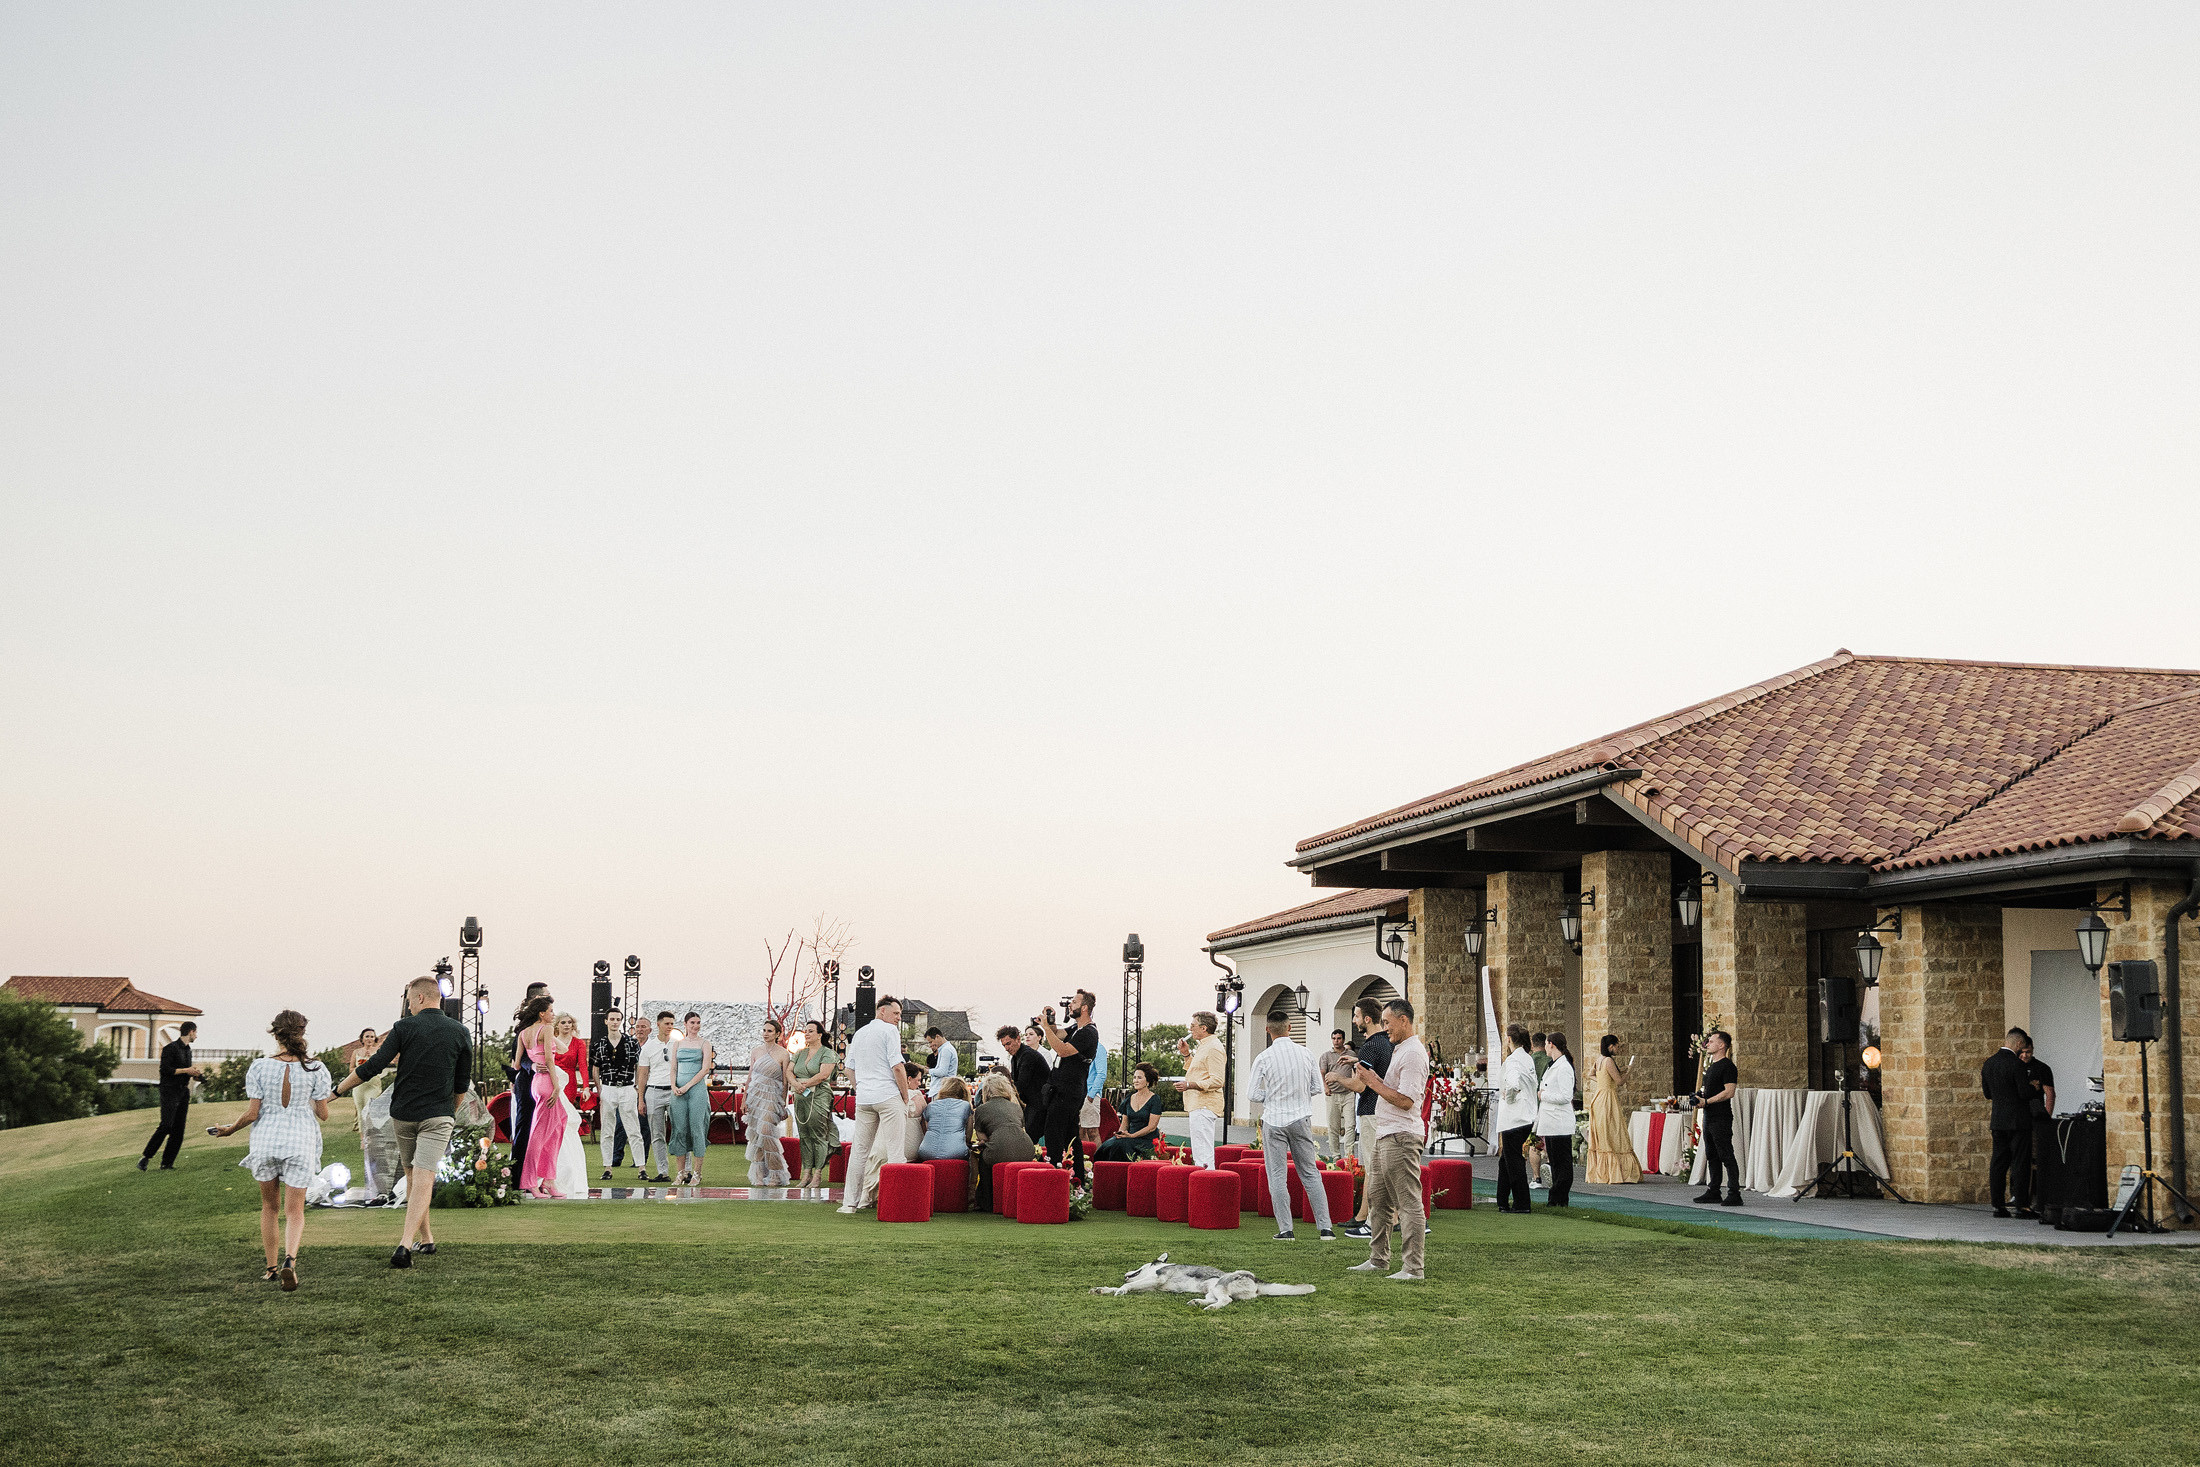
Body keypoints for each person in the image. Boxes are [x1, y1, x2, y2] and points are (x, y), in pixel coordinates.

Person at [337, 976, 474, 1264]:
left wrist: (336, 1091)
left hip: (404, 1114)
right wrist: (449, 1111)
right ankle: (420, 1239)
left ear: (421, 998)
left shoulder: (403, 1027)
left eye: (410, 1000)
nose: (409, 1006)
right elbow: (461, 1084)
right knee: (420, 1177)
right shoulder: (460, 1032)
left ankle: (408, 1243)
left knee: (416, 1175)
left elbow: (373, 1066)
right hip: (437, 1116)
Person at [209, 1010, 331, 1291]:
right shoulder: (316, 1069)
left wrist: (229, 1130)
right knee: (295, 1210)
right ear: (302, 1034)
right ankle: (290, 1259)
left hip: (266, 1141)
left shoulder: (260, 1067)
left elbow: (253, 1113)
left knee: (269, 1207)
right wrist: (310, 1102)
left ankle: (270, 1268)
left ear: (276, 1034)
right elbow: (323, 1115)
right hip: (300, 1142)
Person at [1341, 998, 1429, 1282]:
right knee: (1378, 1199)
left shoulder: (1413, 1053)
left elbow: (1405, 1100)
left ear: (1404, 1021)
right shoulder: (1400, 1049)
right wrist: (1368, 1072)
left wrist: (1373, 1082)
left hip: (1402, 1135)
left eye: (1388, 1023)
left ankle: (1413, 1268)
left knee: (1408, 1202)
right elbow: (1392, 1088)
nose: (1385, 1028)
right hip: (1385, 1132)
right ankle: (1378, 1260)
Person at [1248, 1013, 1334, 1242]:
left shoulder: (1263, 1057)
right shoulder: (1306, 1053)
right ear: (1290, 1027)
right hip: (1300, 1118)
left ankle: (1286, 1230)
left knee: (1277, 1176)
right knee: (1310, 1173)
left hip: (1274, 1119)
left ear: (1268, 1030)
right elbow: (1317, 1087)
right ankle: (1325, 1228)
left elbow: (1251, 1093)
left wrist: (1272, 1095)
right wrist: (1298, 1094)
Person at [838, 995, 918, 1213]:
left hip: (865, 1099)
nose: (898, 1019)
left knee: (859, 1152)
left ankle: (849, 1203)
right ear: (881, 1011)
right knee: (895, 1153)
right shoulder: (889, 1031)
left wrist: (861, 1087)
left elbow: (848, 1068)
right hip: (887, 1095)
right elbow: (898, 1067)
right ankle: (894, 1204)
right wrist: (904, 1096)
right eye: (896, 1014)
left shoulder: (860, 1033)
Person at [1338, 998, 1393, 1239]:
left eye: (1356, 1016)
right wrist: (1356, 1061)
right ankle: (1363, 1215)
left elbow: (1360, 1086)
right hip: (1384, 1109)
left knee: (1373, 1167)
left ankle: (1372, 1220)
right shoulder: (1388, 1042)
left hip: (1371, 1110)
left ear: (1367, 1019)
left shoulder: (1370, 1045)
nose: (1354, 1020)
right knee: (1378, 1167)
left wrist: (1336, 1078)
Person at [1040, 992, 1100, 1190]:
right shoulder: (1076, 1028)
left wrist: (1045, 1029)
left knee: (1055, 1132)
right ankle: (1077, 1181)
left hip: (1069, 1090)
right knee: (1070, 1136)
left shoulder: (1088, 1033)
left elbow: (1062, 1049)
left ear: (1084, 1008)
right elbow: (1059, 1034)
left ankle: (1056, 1177)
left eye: (1074, 1002)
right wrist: (1051, 1020)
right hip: (1063, 1088)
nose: (1070, 1005)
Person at [510, 996, 566, 1197]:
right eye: (551, 1011)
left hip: (535, 1083)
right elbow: (550, 1059)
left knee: (559, 1124)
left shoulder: (524, 1033)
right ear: (542, 1013)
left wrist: (534, 1060)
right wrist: (557, 1085)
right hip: (547, 1082)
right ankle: (531, 1181)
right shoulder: (547, 1029)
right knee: (538, 1134)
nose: (553, 1014)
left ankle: (548, 1179)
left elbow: (516, 1065)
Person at [503, 981, 552, 1186]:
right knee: (525, 1126)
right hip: (528, 1081)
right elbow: (517, 1058)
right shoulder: (524, 1028)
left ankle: (541, 1177)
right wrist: (531, 1066)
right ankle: (517, 1177)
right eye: (546, 996)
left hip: (545, 1081)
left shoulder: (547, 1027)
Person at [1982, 1026, 2034, 1219]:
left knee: (1998, 1162)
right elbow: (2023, 1093)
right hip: (2018, 1121)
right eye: (2023, 1045)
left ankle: (1997, 1205)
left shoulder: (1989, 1063)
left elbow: (1988, 1094)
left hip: (1998, 1120)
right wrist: (2033, 1087)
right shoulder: (2016, 1065)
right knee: (2020, 1162)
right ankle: (2021, 1205)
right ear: (2019, 1043)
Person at [139, 1021, 204, 1171]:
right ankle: (146, 1157)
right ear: (190, 1032)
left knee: (179, 1129)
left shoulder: (188, 1050)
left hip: (183, 1091)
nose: (196, 1036)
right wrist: (186, 1070)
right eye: (196, 1032)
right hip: (169, 1091)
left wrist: (195, 1075)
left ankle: (167, 1163)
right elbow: (166, 1070)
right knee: (166, 1125)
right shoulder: (170, 1048)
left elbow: (185, 1071)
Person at [591, 1009, 645, 1182]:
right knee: (607, 1129)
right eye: (612, 1019)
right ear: (606, 1021)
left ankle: (641, 1167)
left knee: (633, 1129)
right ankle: (608, 1167)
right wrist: (600, 1090)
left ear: (621, 1021)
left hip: (627, 1087)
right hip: (608, 1087)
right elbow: (595, 1068)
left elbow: (639, 1066)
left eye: (618, 1019)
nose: (615, 1022)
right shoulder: (599, 1044)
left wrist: (636, 1086)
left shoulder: (631, 1042)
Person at [1691, 1029, 1742, 1207]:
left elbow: (1729, 1092)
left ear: (1721, 1045)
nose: (1708, 1044)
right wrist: (1700, 1098)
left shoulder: (1728, 1066)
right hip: (1709, 1116)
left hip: (1721, 1117)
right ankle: (1714, 1191)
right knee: (1711, 1154)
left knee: (1725, 1154)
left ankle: (1734, 1193)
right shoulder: (1712, 1066)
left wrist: (1707, 1101)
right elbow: (1710, 1091)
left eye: (1711, 1041)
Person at [972, 1072, 1036, 1211]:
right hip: (1026, 1148)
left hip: (999, 1149)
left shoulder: (981, 1109)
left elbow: (982, 1138)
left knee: (984, 1160)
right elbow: (1021, 1128)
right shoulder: (1016, 1107)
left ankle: (987, 1202)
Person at [743, 1019, 796, 1188]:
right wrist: (745, 1098)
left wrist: (783, 1103)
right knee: (757, 1135)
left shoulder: (783, 1054)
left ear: (778, 1034)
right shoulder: (756, 1051)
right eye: (764, 1030)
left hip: (773, 1096)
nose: (766, 1033)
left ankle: (776, 1172)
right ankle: (759, 1174)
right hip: (755, 1095)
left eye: (770, 1031)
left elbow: (785, 1082)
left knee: (766, 1131)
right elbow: (750, 1076)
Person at [665, 1012, 716, 1187]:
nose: (695, 1025)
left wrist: (687, 1086)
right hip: (678, 1090)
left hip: (696, 1090)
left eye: (698, 1022)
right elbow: (673, 1068)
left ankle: (697, 1173)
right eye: (692, 1022)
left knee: (697, 1128)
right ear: (685, 1024)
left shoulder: (705, 1043)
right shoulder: (677, 1044)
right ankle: (680, 1173)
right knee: (679, 1129)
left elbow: (705, 1069)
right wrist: (673, 1086)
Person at [790, 1018, 840, 1192]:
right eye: (806, 1031)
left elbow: (824, 1074)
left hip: (819, 1094)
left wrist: (804, 1084)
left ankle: (818, 1173)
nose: (807, 1034)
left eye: (811, 1031)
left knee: (817, 1132)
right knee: (804, 1133)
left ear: (819, 1034)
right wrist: (795, 1084)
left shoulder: (827, 1052)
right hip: (800, 1095)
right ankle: (806, 1172)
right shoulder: (799, 1053)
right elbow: (789, 1071)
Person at [1584, 1034, 1642, 1184]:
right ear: (1611, 1046)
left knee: (1604, 1133)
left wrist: (1603, 1082)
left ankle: (1603, 1171)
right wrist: (1629, 1071)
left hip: (1599, 1096)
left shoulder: (1599, 1059)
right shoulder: (1609, 1060)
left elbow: (1590, 1074)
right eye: (1616, 1046)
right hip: (1607, 1099)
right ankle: (1617, 1172)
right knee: (1615, 1132)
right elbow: (1620, 1082)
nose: (1618, 1048)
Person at [1493, 1024, 1538, 1213]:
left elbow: (1512, 1084)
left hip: (1513, 1117)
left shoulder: (1513, 1061)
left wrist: (1508, 1096)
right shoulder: (1527, 1059)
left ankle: (1522, 1203)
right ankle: (1501, 1199)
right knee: (1506, 1159)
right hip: (1526, 1115)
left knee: (1513, 1160)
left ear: (1509, 1039)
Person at [1174, 1011, 1226, 1170]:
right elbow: (1198, 1072)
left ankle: (1206, 1184)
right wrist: (1186, 1055)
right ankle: (1204, 1183)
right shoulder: (1205, 1047)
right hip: (1198, 1104)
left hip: (1204, 1105)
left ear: (1203, 1028)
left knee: (1203, 1151)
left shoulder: (1213, 1048)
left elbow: (1217, 1080)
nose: (1190, 1029)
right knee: (1199, 1150)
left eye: (1193, 1026)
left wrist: (1190, 1085)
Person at [635, 1010, 677, 1183]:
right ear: (658, 1024)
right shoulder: (648, 1047)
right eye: (667, 1023)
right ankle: (663, 1171)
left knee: (680, 1131)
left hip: (674, 1090)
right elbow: (642, 1074)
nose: (670, 1027)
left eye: (672, 1024)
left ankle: (686, 1170)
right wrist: (640, 1099)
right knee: (657, 1133)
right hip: (654, 1090)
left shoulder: (677, 1044)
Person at [1538, 1032, 1578, 1207]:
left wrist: (1544, 1095)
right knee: (1554, 1161)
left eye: (1546, 1044)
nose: (1545, 1047)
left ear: (1551, 1044)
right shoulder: (1552, 1065)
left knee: (1562, 1163)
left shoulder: (1564, 1067)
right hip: (1550, 1121)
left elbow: (1565, 1095)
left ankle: (1559, 1197)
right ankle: (1556, 1197)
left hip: (1559, 1122)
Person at [2019, 1036, 2057, 1216]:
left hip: (2036, 1117)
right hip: (2018, 1117)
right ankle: (2016, 1194)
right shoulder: (2014, 1067)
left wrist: (2047, 1117)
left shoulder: (2042, 1068)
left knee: (2035, 1156)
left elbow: (2050, 1094)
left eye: (2029, 1052)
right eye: (2023, 1052)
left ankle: (2037, 1196)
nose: (2025, 1055)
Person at [1097, 1063, 1165, 1160]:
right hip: (1129, 1136)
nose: (1135, 1081)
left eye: (1139, 1078)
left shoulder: (1155, 1099)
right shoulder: (1129, 1098)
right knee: (1107, 1146)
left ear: (1148, 1081)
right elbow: (1124, 1124)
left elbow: (1151, 1127)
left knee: (1121, 1146)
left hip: (1146, 1139)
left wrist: (1132, 1136)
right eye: (1134, 1078)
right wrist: (1120, 1133)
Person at [1000, 1024, 1051, 1137]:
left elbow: (1021, 1085)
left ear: (1018, 1039)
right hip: (1032, 1102)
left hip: (1040, 1103)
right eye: (1004, 1045)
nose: (1006, 1048)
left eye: (1008, 1043)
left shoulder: (1028, 1055)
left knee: (1030, 1136)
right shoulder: (1016, 1057)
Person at [916, 1074, 974, 1160]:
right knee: (972, 1157)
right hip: (955, 1152)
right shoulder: (965, 1106)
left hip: (926, 1152)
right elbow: (969, 1134)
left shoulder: (931, 1106)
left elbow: (926, 1128)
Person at [1320, 1030, 1358, 1160]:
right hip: (1333, 1094)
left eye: (1339, 1038)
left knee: (1350, 1125)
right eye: (1334, 1038)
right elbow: (1322, 1073)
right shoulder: (1326, 1056)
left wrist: (1355, 1085)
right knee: (1333, 1126)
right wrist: (1325, 1087)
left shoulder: (1351, 1054)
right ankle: (1336, 1155)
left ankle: (1349, 1156)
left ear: (1343, 1039)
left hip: (1348, 1093)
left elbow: (1356, 1070)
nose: (1336, 1041)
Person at [1081, 1028, 1110, 1150]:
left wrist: (1091, 1095)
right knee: (1080, 1131)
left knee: (1092, 1131)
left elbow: (1101, 1073)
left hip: (1090, 1095)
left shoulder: (1099, 1049)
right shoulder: (1080, 1048)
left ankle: (1098, 1161)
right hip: (1079, 1093)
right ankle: (1085, 1162)